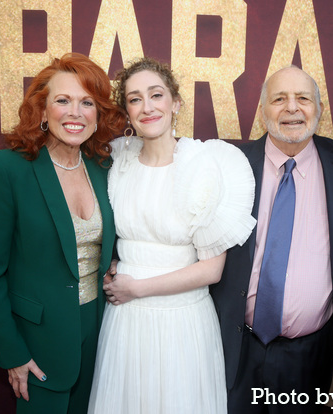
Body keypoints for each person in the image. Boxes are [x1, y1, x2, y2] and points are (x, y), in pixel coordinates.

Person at [87, 57, 256, 414]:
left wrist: (137, 288)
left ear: (175, 102)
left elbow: (212, 271)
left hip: (182, 321)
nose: (146, 107)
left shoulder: (205, 164)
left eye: (156, 95)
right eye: (134, 99)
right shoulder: (118, 161)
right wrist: (114, 262)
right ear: (127, 111)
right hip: (126, 321)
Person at [0, 53, 125, 413]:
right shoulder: (4, 169)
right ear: (42, 111)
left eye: (87, 102)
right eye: (63, 100)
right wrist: (12, 353)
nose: (75, 112)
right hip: (37, 341)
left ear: (98, 114)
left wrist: (115, 259)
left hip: (101, 331)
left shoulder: (105, 169)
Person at [209, 66, 333, 414]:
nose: (292, 108)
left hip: (311, 358)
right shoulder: (231, 166)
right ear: (263, 113)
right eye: (279, 99)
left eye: (303, 98)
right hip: (234, 348)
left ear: (319, 110)